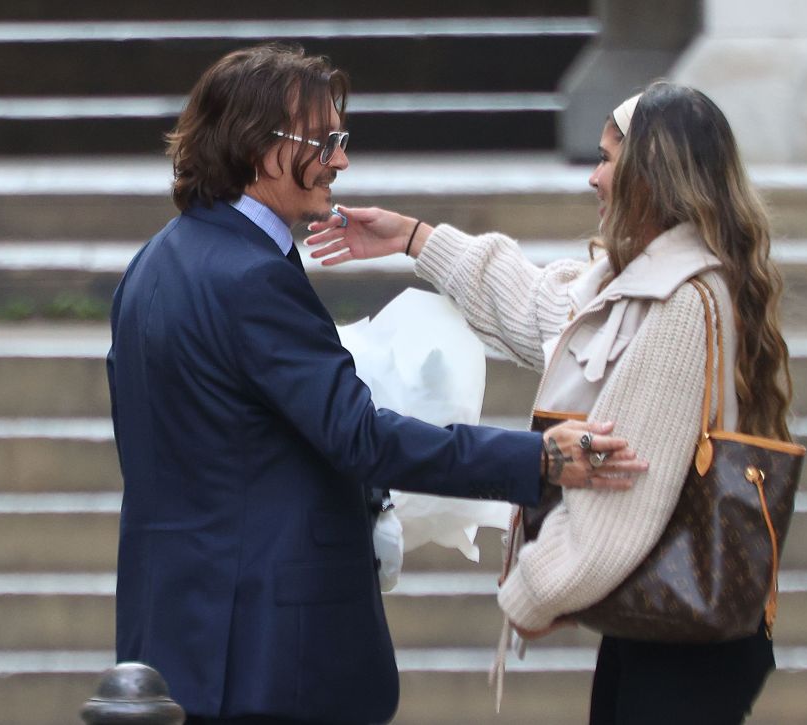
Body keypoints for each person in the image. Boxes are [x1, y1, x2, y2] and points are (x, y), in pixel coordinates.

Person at [106, 44, 647, 725]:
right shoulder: (252, 278)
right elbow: (360, 436)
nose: (341, 160)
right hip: (265, 656)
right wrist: (539, 459)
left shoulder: (152, 263)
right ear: (265, 151)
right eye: (327, 140)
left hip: (176, 638)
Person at [305, 81, 794, 724]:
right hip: (666, 630)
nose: (593, 178)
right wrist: (415, 238)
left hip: (686, 647)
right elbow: (540, 306)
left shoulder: (677, 303)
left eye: (607, 159)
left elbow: (624, 486)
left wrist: (533, 592)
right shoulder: (647, 286)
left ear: (651, 174)